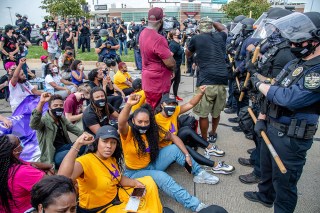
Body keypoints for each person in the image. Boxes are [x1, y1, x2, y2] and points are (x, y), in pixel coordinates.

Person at [244, 12, 320, 213]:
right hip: (271, 126)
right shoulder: (296, 63)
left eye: (300, 41)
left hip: (291, 137)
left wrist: (259, 83)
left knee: (284, 185)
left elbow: (288, 97)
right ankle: (265, 196)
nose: (293, 45)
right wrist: (261, 117)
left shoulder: (317, 71)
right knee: (268, 171)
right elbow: (275, 87)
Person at [118, 94, 221, 212]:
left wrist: (187, 155)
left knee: (174, 149)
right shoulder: (128, 133)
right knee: (163, 178)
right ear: (133, 121)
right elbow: (121, 123)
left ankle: (199, 173)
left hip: (151, 164)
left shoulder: (151, 130)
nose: (143, 125)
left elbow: (173, 137)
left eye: (146, 122)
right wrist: (128, 105)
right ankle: (196, 205)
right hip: (135, 172)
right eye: (140, 122)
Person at [57, 127, 163, 212]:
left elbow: (117, 178)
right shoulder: (85, 161)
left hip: (116, 196)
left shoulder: (111, 159)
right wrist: (77, 144)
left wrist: (135, 182)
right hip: (101, 208)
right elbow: (62, 179)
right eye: (105, 141)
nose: (109, 146)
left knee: (148, 182)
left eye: (113, 142)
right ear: (97, 142)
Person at [155, 92, 235, 175]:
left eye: (174, 104)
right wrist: (186, 154)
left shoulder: (174, 112)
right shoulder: (156, 120)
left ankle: (210, 148)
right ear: (162, 105)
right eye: (169, 103)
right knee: (186, 148)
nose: (172, 106)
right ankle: (215, 166)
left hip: (173, 141)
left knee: (186, 129)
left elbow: (190, 104)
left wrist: (201, 93)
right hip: (165, 150)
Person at [186, 17, 228, 143]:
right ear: (211, 27)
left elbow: (188, 53)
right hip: (222, 80)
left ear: (200, 28)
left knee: (203, 114)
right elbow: (224, 28)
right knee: (216, 112)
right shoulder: (221, 36)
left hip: (206, 80)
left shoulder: (196, 38)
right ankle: (213, 133)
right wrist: (212, 22)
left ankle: (204, 139)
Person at [30, 93, 83, 166]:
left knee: (84, 144)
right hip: (53, 154)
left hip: (65, 147)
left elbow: (74, 129)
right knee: (69, 153)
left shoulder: (62, 119)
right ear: (49, 107)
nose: (59, 107)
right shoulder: (44, 121)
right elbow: (33, 125)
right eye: (55, 106)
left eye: (61, 105)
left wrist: (85, 136)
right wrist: (41, 102)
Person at [139, 7, 176, 109]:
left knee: (150, 110)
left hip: (148, 80)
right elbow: (170, 63)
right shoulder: (158, 38)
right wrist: (172, 67)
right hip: (158, 83)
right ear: (161, 21)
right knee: (158, 113)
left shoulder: (143, 33)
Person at [0, 135, 45, 213]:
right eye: (19, 142)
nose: (22, 144)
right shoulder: (23, 172)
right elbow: (53, 185)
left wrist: (49, 165)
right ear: (15, 151)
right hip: (28, 210)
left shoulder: (6, 164)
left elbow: (29, 163)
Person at [168, 28, 184, 101]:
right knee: (170, 82)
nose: (179, 31)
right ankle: (166, 96)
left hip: (178, 66)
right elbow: (170, 56)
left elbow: (180, 44)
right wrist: (172, 70)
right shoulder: (173, 44)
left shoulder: (177, 42)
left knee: (177, 81)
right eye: (178, 31)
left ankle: (175, 96)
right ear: (174, 35)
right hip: (174, 66)